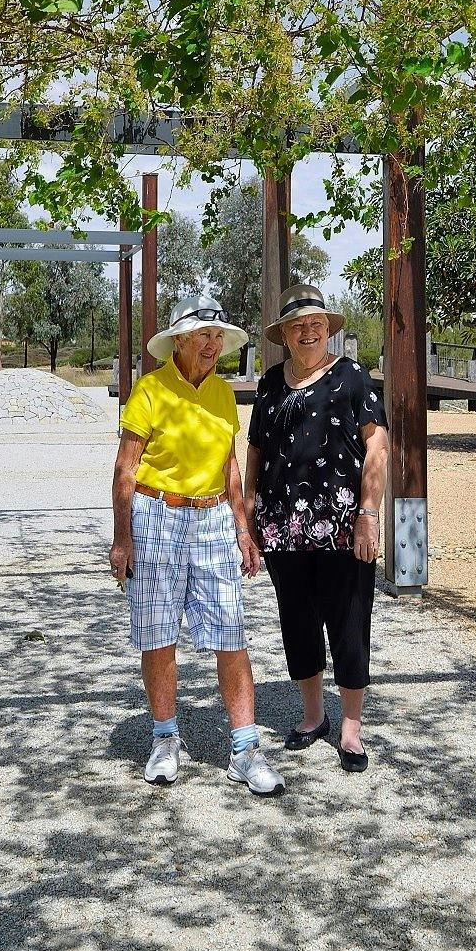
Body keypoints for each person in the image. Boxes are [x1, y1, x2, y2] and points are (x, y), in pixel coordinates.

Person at [111, 299, 284, 795]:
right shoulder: (149, 390)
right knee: (158, 631)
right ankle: (165, 738)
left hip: (211, 517)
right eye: (201, 335)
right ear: (179, 341)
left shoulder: (224, 395)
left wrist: (243, 529)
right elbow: (125, 468)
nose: (210, 345)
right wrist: (122, 538)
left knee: (231, 630)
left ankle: (246, 748)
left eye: (217, 337)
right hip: (156, 513)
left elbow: (230, 466)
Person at [245, 283, 388, 772]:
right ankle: (313, 715)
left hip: (344, 526)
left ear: (327, 328)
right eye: (297, 326)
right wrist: (248, 509)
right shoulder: (269, 383)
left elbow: (378, 448)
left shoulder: (353, 378)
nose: (307, 332)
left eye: (315, 324)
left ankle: (351, 727)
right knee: (298, 622)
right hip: (283, 526)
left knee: (349, 622)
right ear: (283, 335)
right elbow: (257, 451)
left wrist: (369, 513)